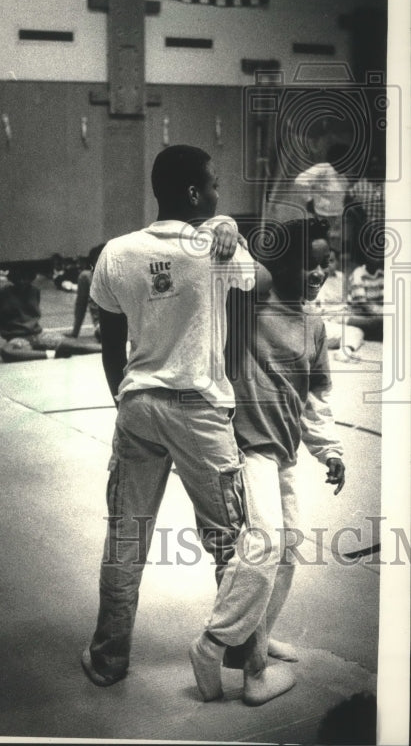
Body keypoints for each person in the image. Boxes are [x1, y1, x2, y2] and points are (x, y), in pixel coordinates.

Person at [82, 144, 296, 706]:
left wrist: (125, 401)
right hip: (200, 412)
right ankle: (246, 665)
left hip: (138, 404)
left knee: (125, 537)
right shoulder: (215, 247)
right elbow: (268, 286)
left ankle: (107, 659)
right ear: (195, 194)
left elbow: (108, 342)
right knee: (233, 543)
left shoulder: (116, 251)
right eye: (215, 188)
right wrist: (230, 230)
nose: (220, 196)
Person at [224, 217, 346, 685]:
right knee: (266, 544)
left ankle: (260, 632)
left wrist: (330, 449)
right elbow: (233, 265)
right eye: (310, 265)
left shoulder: (314, 322)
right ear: (281, 264)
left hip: (286, 450)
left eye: (326, 264)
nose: (319, 274)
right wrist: (228, 233)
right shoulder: (250, 304)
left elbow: (316, 396)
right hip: (248, 448)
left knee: (291, 549)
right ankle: (249, 667)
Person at [0, 265, 62, 363]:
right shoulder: (4, 293)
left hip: (37, 335)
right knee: (6, 352)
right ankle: (52, 354)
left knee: (70, 344)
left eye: (25, 278)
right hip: (19, 339)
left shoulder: (35, 291)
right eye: (19, 278)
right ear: (13, 278)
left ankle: (52, 352)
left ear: (30, 278)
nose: (22, 282)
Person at [293, 143, 351, 253]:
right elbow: (300, 180)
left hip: (337, 218)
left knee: (334, 251)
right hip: (320, 215)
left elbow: (342, 195)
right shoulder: (322, 168)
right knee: (318, 247)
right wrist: (309, 199)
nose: (348, 164)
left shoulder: (343, 176)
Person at [66, 244, 104, 341]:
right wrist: (75, 332)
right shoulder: (86, 277)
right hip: (104, 327)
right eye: (98, 260)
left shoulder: (118, 275)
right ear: (92, 262)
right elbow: (80, 306)